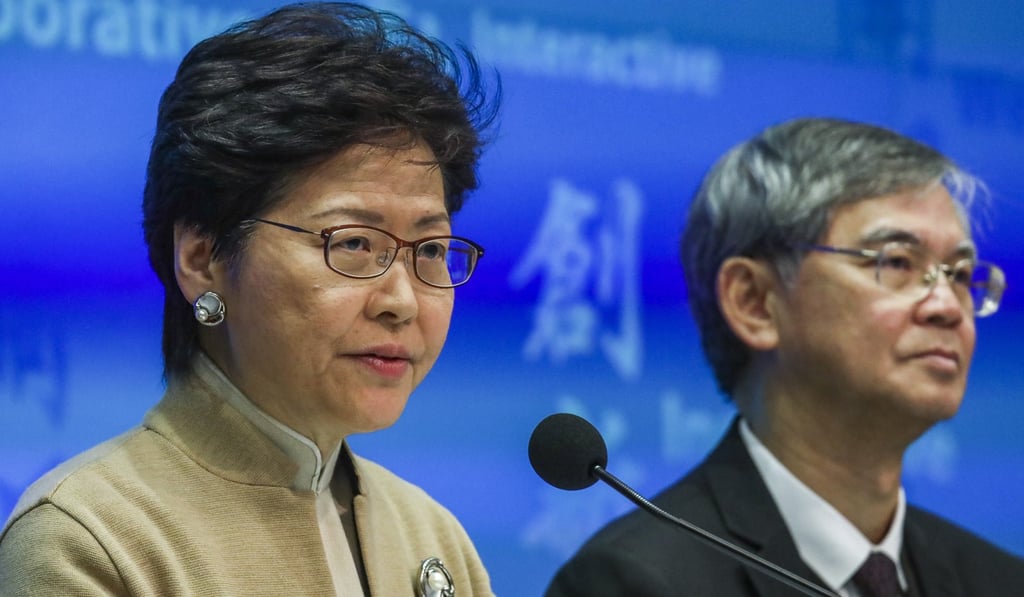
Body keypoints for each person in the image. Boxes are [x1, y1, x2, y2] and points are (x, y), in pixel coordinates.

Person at [0, 2, 500, 595]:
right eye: (354, 243)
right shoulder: (93, 540)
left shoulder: (431, 536)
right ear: (202, 258)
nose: (402, 301)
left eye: (431, 249)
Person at [545, 117, 1024, 596]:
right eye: (896, 262)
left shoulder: (999, 582)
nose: (947, 306)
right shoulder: (636, 582)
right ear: (754, 302)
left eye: (960, 274)